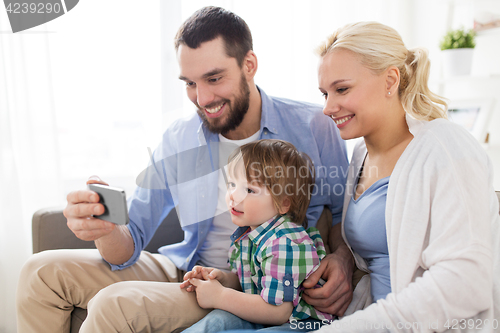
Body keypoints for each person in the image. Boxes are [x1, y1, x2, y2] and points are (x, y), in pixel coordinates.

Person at [16, 7, 353, 333]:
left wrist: (343, 260)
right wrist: (104, 229)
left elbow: (342, 217)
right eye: (190, 83)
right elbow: (130, 240)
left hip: (246, 284)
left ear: (249, 65)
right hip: (183, 268)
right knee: (38, 272)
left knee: (115, 303)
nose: (202, 98)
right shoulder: (179, 138)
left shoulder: (314, 126)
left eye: (214, 78)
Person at [312, 21, 499, 331]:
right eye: (324, 94)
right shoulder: (361, 154)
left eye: (342, 89)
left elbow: (465, 283)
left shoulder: (446, 147)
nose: (328, 108)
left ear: (390, 80)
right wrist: (343, 256)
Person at [181, 139, 335, 333]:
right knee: (215, 322)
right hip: (265, 315)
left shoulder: (284, 243)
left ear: (283, 204)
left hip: (301, 323)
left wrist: (220, 296)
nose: (233, 196)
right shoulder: (247, 235)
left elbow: (278, 311)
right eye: (232, 184)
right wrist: (222, 279)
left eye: (249, 190)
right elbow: (251, 282)